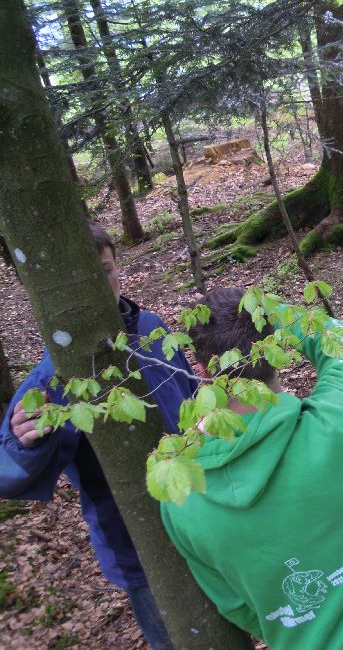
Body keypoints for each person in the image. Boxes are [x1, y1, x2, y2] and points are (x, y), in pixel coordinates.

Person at [160, 288, 343, 650]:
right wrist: (266, 309)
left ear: (202, 372)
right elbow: (339, 337)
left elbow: (235, 605)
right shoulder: (335, 427)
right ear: (275, 347)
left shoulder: (180, 495)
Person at [0, 222, 197, 650]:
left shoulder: (151, 328)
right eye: (86, 276)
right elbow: (7, 474)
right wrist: (26, 440)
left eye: (105, 270)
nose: (99, 285)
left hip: (203, 519)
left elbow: (193, 398)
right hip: (138, 547)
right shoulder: (55, 374)